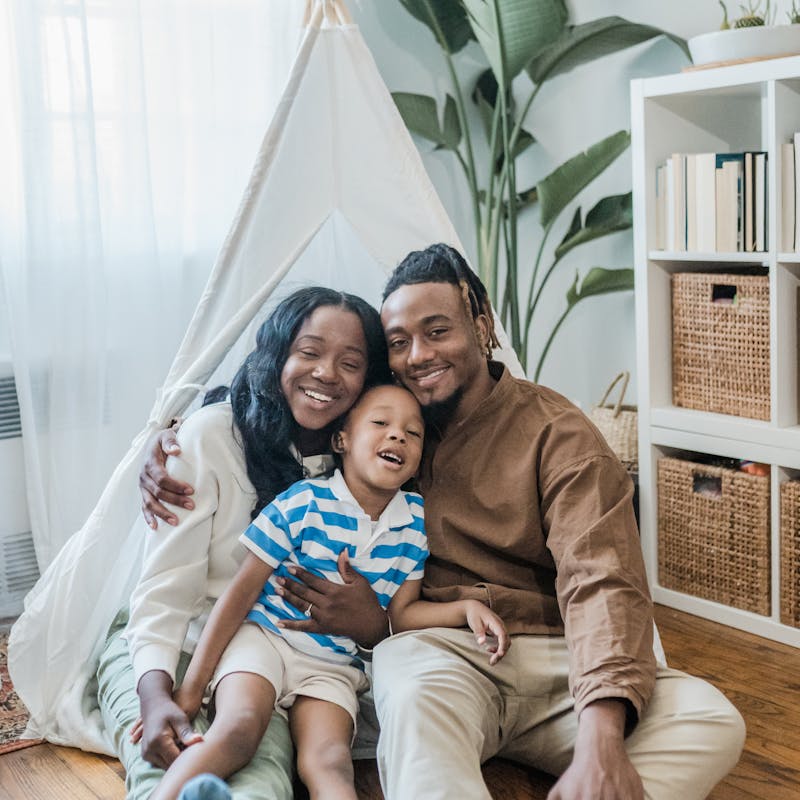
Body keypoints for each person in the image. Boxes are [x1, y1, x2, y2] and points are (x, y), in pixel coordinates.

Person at [142, 245, 746, 800]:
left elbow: (602, 579)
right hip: (444, 655)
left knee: (711, 720)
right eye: (398, 342)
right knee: (409, 685)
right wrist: (169, 437)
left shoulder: (557, 434)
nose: (418, 356)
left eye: (437, 332)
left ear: (482, 326)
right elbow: (283, 403)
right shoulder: (390, 421)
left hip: (556, 657)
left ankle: (594, 773)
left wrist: (601, 735)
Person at [137, 383, 508, 800]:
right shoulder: (304, 502)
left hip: (332, 667)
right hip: (266, 639)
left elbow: (401, 614)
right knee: (239, 729)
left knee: (329, 762)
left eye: (413, 432)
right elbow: (239, 595)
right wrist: (190, 690)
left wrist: (465, 609)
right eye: (381, 423)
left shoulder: (415, 524)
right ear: (341, 440)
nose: (397, 435)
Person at [97, 286, 393, 800]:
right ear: (276, 355)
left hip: (261, 653)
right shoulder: (211, 437)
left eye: (350, 363)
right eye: (309, 352)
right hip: (167, 643)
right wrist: (156, 694)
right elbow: (164, 595)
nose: (326, 373)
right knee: (165, 755)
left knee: (262, 781)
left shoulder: (360, 465)